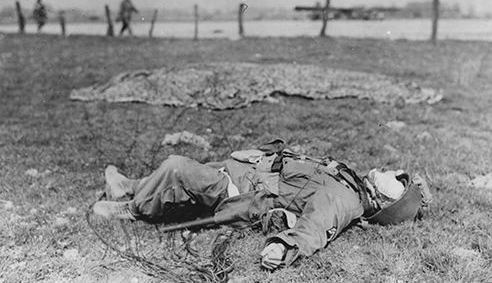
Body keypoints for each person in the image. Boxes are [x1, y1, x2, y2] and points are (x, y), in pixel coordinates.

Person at [93, 139, 432, 270]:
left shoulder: (342, 199)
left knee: (176, 166)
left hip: (239, 192)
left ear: (384, 199)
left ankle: (131, 209)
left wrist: (285, 247)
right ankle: (131, 186)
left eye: (393, 179)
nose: (387, 171)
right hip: (244, 174)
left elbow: (314, 229)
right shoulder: (349, 181)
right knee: (187, 176)